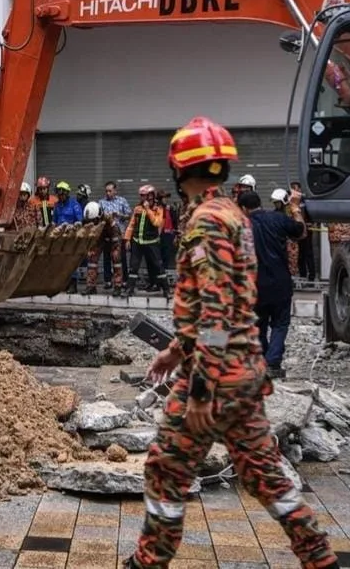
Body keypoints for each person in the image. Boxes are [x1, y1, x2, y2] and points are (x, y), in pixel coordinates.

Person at [123, 116, 337, 569]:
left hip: (215, 376)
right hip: (244, 374)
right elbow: (220, 303)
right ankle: (321, 560)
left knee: (166, 469)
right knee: (265, 477)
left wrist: (200, 387)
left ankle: (148, 563)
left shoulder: (205, 223)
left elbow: (217, 313)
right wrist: (174, 349)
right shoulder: (233, 215)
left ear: (180, 171)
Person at [239, 189, 306, 379]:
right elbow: (301, 233)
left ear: (243, 208)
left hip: (254, 285)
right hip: (280, 282)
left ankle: (263, 360)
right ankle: (273, 362)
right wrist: (295, 208)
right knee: (280, 323)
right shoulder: (277, 219)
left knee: (258, 323)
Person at [124, 185, 169, 299]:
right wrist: (127, 239)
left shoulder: (158, 208)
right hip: (137, 242)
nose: (142, 197)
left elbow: (157, 223)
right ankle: (129, 289)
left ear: (151, 195)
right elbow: (131, 224)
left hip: (151, 242)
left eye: (144, 195)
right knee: (133, 266)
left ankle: (166, 290)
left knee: (158, 266)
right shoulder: (137, 208)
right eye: (141, 195)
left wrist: (148, 209)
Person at [99, 181, 131, 293]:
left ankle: (124, 281)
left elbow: (129, 216)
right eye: (106, 191)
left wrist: (119, 215)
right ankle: (108, 281)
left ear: (115, 191)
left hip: (119, 234)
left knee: (120, 258)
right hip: (106, 234)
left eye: (110, 191)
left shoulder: (122, 201)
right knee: (107, 257)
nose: (108, 193)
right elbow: (98, 217)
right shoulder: (101, 202)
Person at [290, 181, 316, 281]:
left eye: (297, 189)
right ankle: (302, 275)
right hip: (296, 230)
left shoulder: (305, 201)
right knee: (299, 254)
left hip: (308, 229)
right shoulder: (290, 201)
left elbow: (311, 213)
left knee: (308, 252)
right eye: (293, 189)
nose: (295, 191)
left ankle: (312, 276)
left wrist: (311, 222)